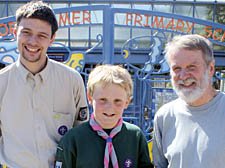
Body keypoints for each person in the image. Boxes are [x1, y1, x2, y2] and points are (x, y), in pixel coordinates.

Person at [0, 1, 89, 168]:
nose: (33, 42)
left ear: (52, 38)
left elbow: (82, 134)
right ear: (15, 32)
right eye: (26, 32)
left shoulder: (72, 81)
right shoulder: (1, 84)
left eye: (42, 35)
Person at [55, 64, 154, 168]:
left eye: (117, 101)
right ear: (90, 98)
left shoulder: (135, 137)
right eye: (102, 100)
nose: (109, 108)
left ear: (126, 102)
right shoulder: (73, 139)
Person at [152, 34, 225, 168]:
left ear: (211, 68)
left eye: (192, 67)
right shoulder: (164, 117)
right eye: (177, 69)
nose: (184, 76)